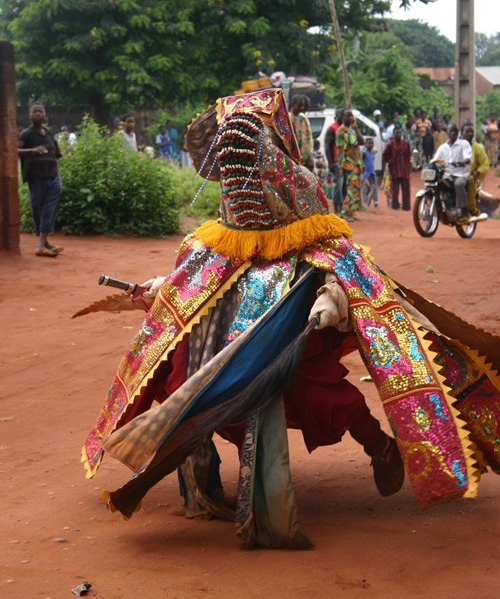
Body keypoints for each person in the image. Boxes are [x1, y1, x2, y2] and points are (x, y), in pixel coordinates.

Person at [82, 89, 499, 550]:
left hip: (297, 298)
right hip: (235, 293)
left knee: (315, 386)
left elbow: (330, 250)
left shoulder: (301, 189)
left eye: (245, 150)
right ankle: (209, 485)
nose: (237, 167)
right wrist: (161, 288)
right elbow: (199, 266)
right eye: (231, 154)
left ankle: (378, 445)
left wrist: (330, 299)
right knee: (183, 373)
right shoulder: (217, 222)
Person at [17, 103, 64, 257]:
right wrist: (31, 151)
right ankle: (44, 241)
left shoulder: (49, 134)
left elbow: (56, 153)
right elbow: (14, 150)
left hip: (53, 177)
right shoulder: (26, 134)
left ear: (45, 115)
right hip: (36, 178)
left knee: (48, 208)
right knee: (37, 208)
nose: (38, 113)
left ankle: (40, 245)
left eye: (40, 111)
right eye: (34, 111)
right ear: (29, 115)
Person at [433, 123, 472, 220]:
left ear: (458, 132)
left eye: (455, 131)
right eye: (451, 131)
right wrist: (430, 164)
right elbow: (436, 160)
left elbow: (468, 158)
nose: (453, 133)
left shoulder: (464, 144)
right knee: (436, 183)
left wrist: (462, 162)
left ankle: (463, 211)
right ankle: (441, 207)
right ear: (447, 133)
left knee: (458, 184)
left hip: (460, 175)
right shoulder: (442, 147)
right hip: (447, 175)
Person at [336, 109, 364, 220]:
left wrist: (356, 128)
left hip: (355, 162)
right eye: (348, 116)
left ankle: (351, 212)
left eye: (352, 116)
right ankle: (344, 212)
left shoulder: (351, 130)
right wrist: (356, 130)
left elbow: (361, 141)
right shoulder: (342, 130)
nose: (351, 118)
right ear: (343, 117)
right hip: (347, 162)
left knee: (355, 187)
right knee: (351, 188)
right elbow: (356, 142)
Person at [461, 122, 489, 222]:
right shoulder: (456, 146)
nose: (469, 133)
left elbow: (485, 163)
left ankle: (472, 209)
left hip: (470, 176)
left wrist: (478, 171)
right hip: (456, 174)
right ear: (462, 133)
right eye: (467, 131)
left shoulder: (478, 148)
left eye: (471, 131)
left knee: (470, 179)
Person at [382, 127, 411, 211]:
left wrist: (409, 166)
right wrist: (389, 161)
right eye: (396, 133)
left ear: (401, 134)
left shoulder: (406, 144)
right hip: (394, 170)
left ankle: (406, 206)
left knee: (406, 189)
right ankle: (394, 205)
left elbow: (408, 156)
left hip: (404, 170)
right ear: (394, 135)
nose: (398, 135)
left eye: (399, 133)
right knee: (395, 189)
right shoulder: (391, 144)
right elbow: (384, 154)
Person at [324, 108, 344, 214]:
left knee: (343, 186)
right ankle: (337, 209)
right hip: (336, 162)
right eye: (342, 115)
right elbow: (327, 146)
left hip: (345, 162)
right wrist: (330, 162)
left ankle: (342, 208)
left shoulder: (345, 129)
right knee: (337, 186)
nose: (343, 117)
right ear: (337, 116)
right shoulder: (332, 129)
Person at [289, 94, 314, 170]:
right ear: (293, 105)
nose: (302, 108)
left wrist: (309, 156)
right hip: (294, 160)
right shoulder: (288, 118)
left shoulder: (302, 118)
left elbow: (308, 138)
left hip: (305, 159)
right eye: (299, 106)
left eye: (303, 106)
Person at [361, 137, 378, 208]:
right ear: (365, 145)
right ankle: (366, 205)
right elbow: (360, 160)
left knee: (369, 189)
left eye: (372, 143)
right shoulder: (364, 153)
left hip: (372, 173)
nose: (371, 145)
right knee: (373, 188)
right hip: (367, 174)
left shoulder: (372, 153)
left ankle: (366, 203)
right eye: (369, 143)